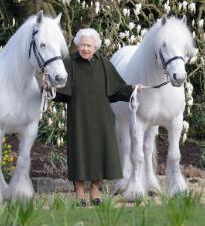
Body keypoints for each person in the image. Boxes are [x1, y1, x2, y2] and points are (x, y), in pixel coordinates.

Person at [52, 28, 142, 206]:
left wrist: (133, 89)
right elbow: (60, 92)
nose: (86, 49)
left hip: (102, 118)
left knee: (102, 152)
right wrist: (48, 87)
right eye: (83, 45)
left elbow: (116, 90)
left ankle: (95, 189)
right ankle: (79, 191)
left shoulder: (104, 64)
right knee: (79, 153)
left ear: (95, 48)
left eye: (89, 46)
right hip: (78, 116)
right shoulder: (69, 62)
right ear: (78, 45)